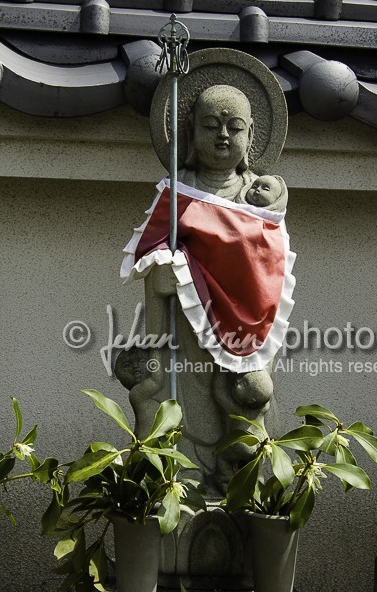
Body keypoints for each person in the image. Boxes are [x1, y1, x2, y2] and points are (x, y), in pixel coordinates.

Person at [120, 58, 293, 495]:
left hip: (245, 320)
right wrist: (165, 270)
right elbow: (154, 250)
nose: (222, 135)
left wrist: (266, 208)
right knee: (170, 393)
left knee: (247, 393)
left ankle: (239, 476)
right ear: (190, 133)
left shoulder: (258, 194)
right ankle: (178, 481)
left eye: (235, 127)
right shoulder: (179, 190)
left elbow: (269, 256)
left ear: (252, 136)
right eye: (211, 125)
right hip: (183, 325)